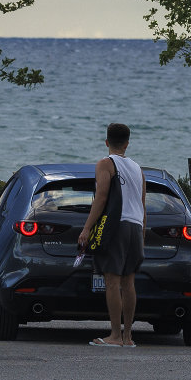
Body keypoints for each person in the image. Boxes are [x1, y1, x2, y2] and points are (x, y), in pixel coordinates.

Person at [76, 121, 145, 349]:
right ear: (127, 143)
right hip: (135, 225)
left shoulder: (105, 164)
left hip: (117, 225)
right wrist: (142, 233)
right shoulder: (137, 168)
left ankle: (115, 335)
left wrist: (87, 228)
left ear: (107, 142)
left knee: (112, 282)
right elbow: (142, 204)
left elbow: (102, 197)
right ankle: (128, 336)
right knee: (129, 283)